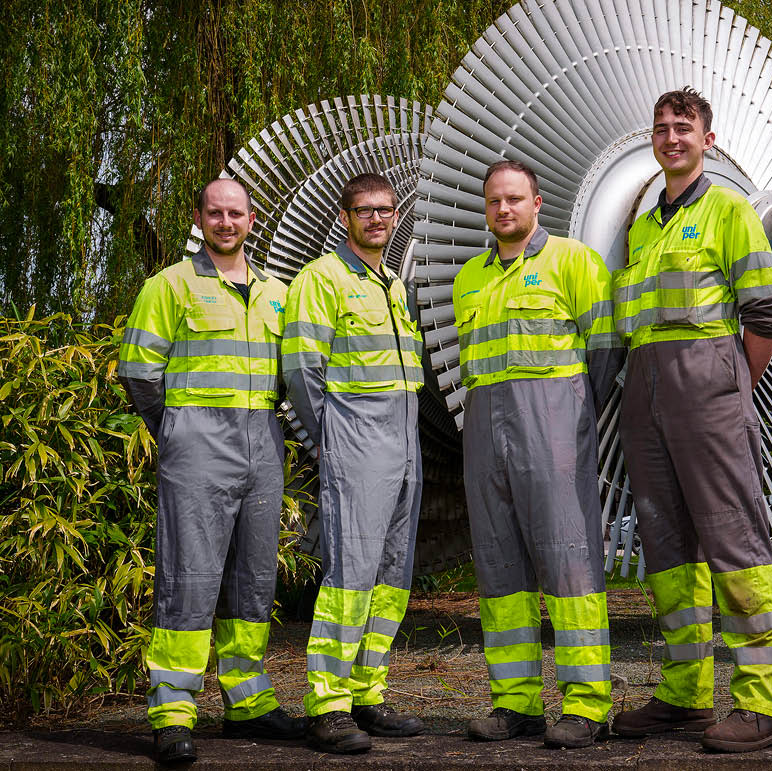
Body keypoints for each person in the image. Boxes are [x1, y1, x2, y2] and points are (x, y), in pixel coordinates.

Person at [609, 87, 772, 753]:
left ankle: (761, 702)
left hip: (707, 392)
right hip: (646, 396)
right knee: (667, 550)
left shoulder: (728, 210)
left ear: (706, 140)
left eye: (682, 127)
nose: (670, 137)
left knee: (734, 544)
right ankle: (684, 696)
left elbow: (765, 311)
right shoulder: (643, 225)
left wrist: (732, 387)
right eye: (660, 128)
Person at [118, 177, 307, 764]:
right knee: (189, 579)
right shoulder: (168, 286)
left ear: (253, 220)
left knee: (253, 578)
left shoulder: (277, 293)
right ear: (199, 218)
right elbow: (138, 371)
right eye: (215, 214)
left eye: (237, 214)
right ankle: (173, 713)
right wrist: (176, 428)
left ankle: (247, 701)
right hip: (197, 446)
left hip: (263, 444)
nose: (227, 223)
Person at [452, 160, 625, 749]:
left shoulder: (573, 261)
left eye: (515, 199)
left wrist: (573, 419)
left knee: (570, 564)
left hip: (553, 431)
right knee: (500, 571)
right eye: (494, 201)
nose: (504, 209)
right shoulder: (469, 278)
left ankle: (585, 705)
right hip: (486, 431)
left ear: (537, 202)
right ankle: (515, 703)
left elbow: (604, 349)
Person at [283, 173, 425, 754]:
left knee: (391, 577)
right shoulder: (323, 279)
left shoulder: (391, 283)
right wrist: (335, 440)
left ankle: (368, 693)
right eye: (365, 211)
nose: (377, 220)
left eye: (386, 211)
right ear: (345, 218)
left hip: (406, 443)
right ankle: (329, 704)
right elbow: (300, 372)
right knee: (350, 575)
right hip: (357, 444)